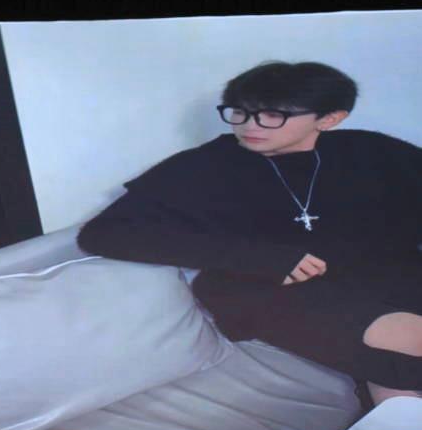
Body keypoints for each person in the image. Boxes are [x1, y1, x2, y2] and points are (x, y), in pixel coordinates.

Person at [78, 61, 422, 410]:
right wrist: (255, 256)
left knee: (396, 365)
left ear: (329, 119)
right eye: (240, 112)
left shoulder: (370, 150)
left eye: (273, 115)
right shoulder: (204, 165)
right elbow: (103, 233)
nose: (249, 126)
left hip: (382, 274)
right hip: (268, 287)